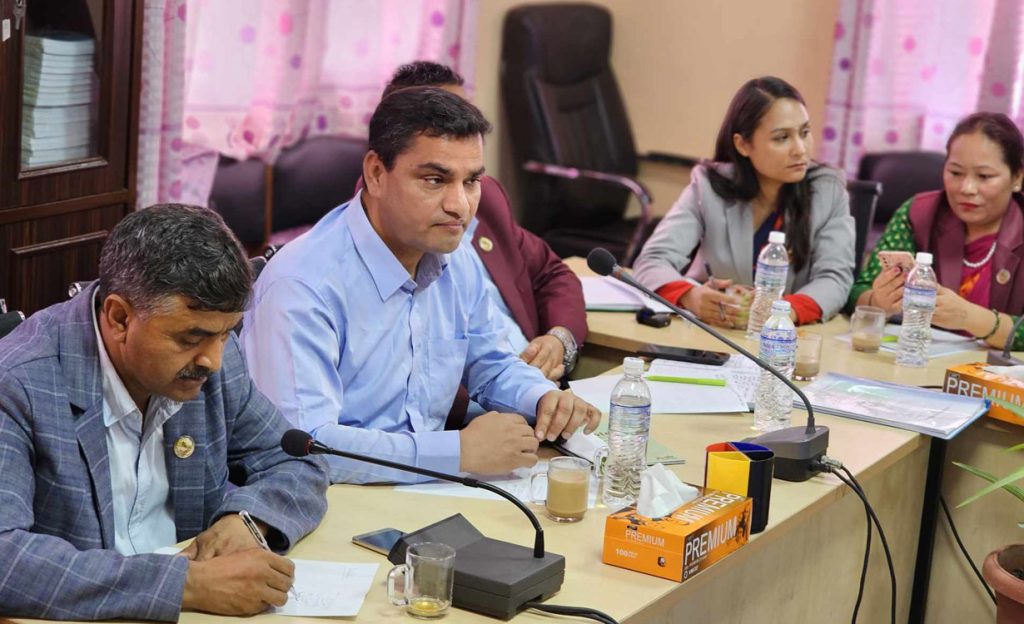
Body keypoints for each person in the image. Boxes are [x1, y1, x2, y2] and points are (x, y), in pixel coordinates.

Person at [240, 87, 601, 485]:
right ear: (376, 174)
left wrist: (542, 398)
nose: (459, 206)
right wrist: (458, 452)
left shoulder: (455, 257)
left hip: (428, 491)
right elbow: (306, 445)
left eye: (471, 181)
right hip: (330, 496)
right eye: (435, 180)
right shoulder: (302, 285)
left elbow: (490, 362)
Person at [0, 205, 329, 620]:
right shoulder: (18, 382)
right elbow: (6, 557)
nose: (212, 360)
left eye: (225, 334)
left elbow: (297, 460)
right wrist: (185, 584)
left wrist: (247, 520)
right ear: (120, 318)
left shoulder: (214, 359)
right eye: (191, 337)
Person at [379, 61, 588, 425]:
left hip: (532, 394)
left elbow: (552, 273)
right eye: (438, 120)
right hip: (467, 420)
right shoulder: (387, 228)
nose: (459, 203)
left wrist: (559, 342)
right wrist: (512, 399)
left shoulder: (485, 196)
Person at [632, 76, 855, 328]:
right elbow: (653, 260)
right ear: (743, 144)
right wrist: (690, 296)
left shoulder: (827, 191)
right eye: (782, 138)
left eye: (804, 133)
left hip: (785, 338)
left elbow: (835, 279)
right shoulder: (708, 186)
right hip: (711, 331)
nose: (800, 149)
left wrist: (783, 312)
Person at [850, 112, 1024, 349]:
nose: (967, 188)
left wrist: (969, 317)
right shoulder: (919, 213)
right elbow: (858, 292)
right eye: (955, 173)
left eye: (984, 176)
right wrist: (878, 301)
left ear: (1017, 177)